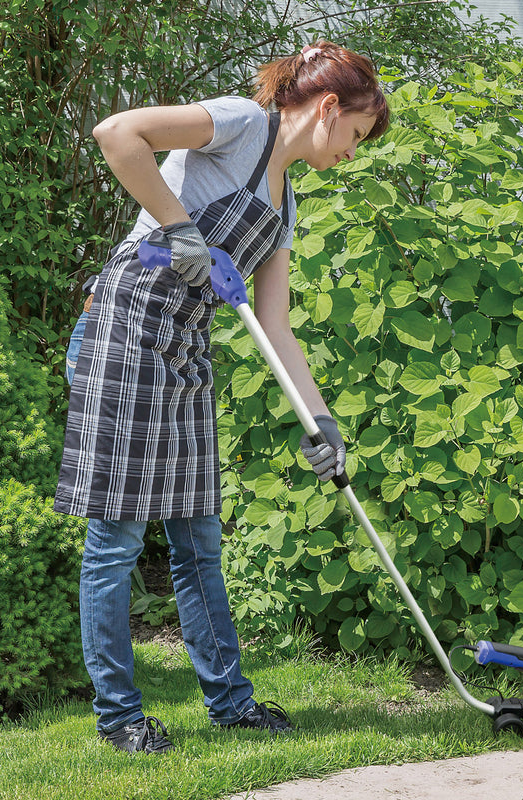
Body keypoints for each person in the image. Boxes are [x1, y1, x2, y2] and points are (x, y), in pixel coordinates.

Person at [54, 40, 390, 754]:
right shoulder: (240, 123)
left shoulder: (285, 201)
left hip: (185, 346)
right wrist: (178, 226)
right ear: (329, 109)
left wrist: (322, 424)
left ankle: (231, 706)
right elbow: (118, 134)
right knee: (115, 540)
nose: (352, 156)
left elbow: (275, 326)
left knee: (199, 538)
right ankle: (120, 719)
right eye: (356, 136)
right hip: (126, 323)